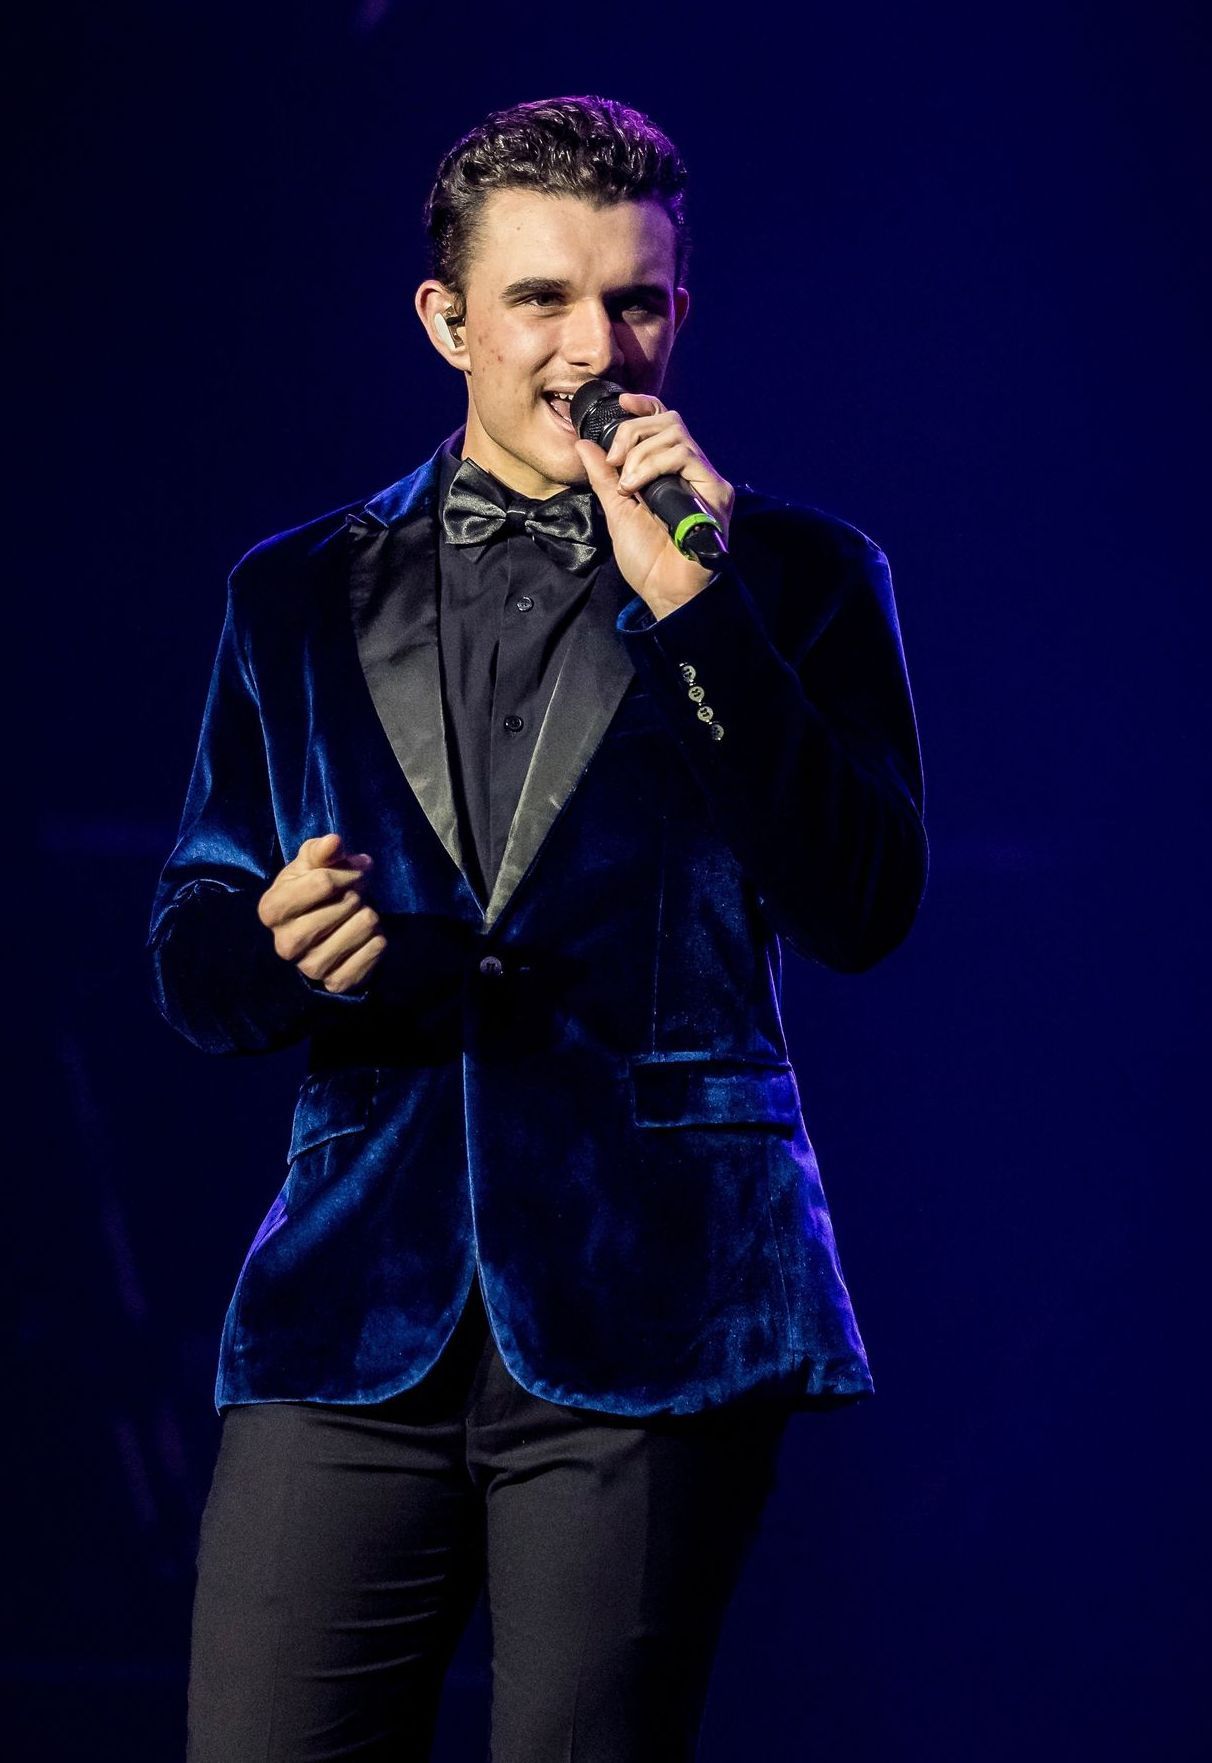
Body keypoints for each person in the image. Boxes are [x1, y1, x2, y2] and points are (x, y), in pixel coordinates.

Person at [149, 93, 927, 1763]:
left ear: (682, 308)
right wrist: (275, 946)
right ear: (446, 320)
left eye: (636, 299)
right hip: (352, 1303)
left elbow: (862, 905)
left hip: (660, 1298)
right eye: (544, 300)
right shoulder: (292, 590)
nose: (600, 347)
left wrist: (697, 607)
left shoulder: (798, 577)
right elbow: (191, 947)